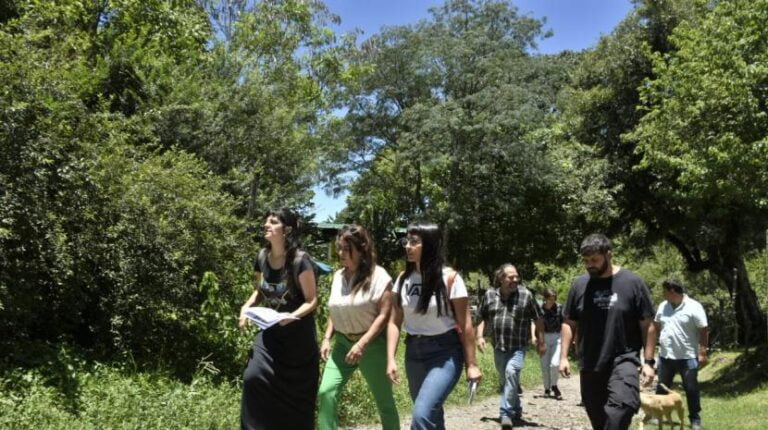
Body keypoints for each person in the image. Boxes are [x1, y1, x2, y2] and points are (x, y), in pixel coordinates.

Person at [386, 222, 482, 430]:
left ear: (429, 245)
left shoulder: (450, 278)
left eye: (414, 242)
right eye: (406, 241)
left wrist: (472, 364)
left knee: (421, 416)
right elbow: (394, 322)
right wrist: (391, 358)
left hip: (445, 353)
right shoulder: (403, 279)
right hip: (414, 353)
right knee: (432, 415)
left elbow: (466, 324)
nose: (407, 247)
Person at [559, 234, 657, 430]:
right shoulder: (580, 285)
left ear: (609, 255)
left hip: (624, 359)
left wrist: (648, 362)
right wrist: (563, 357)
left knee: (621, 408)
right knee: (599, 420)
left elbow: (648, 324)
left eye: (594, 260)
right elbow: (569, 323)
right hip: (591, 363)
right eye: (586, 261)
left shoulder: (632, 282)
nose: (590, 265)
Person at [238, 208, 319, 430]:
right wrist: (246, 307)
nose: (266, 224)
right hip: (270, 334)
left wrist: (292, 316)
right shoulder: (261, 257)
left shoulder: (300, 261)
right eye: (266, 220)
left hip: (298, 342)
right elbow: (260, 291)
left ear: (287, 230)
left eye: (273, 222)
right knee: (252, 378)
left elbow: (312, 301)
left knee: (296, 403)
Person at [317, 225, 399, 430]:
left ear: (362, 249)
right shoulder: (338, 276)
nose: (341, 253)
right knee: (326, 392)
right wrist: (327, 338)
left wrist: (362, 344)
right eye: (340, 248)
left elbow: (384, 315)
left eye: (347, 249)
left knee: (384, 402)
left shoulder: (379, 276)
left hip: (371, 345)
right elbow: (336, 309)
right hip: (343, 344)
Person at [476, 264, 544, 429]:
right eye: (510, 277)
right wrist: (479, 336)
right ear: (501, 278)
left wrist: (540, 341)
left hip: (518, 346)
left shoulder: (526, 295)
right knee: (506, 380)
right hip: (498, 346)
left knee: (511, 373)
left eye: (516, 277)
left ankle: (505, 413)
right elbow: (482, 316)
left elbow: (538, 318)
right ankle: (517, 408)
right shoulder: (490, 295)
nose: (515, 280)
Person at [654, 279, 709, 430]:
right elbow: (657, 325)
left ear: (672, 292)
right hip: (666, 356)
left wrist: (703, 352)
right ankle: (658, 416)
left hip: (688, 356)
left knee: (691, 388)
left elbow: (703, 330)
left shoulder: (694, 306)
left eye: (664, 292)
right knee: (662, 388)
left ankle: (695, 419)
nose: (662, 295)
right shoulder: (663, 306)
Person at [539, 288, 564, 400]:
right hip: (543, 337)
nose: (551, 301)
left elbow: (564, 324)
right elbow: (535, 323)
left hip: (557, 336)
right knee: (544, 366)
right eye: (549, 299)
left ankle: (554, 385)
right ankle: (547, 389)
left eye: (553, 299)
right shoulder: (540, 309)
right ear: (545, 298)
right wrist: (536, 338)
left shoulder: (560, 308)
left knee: (554, 364)